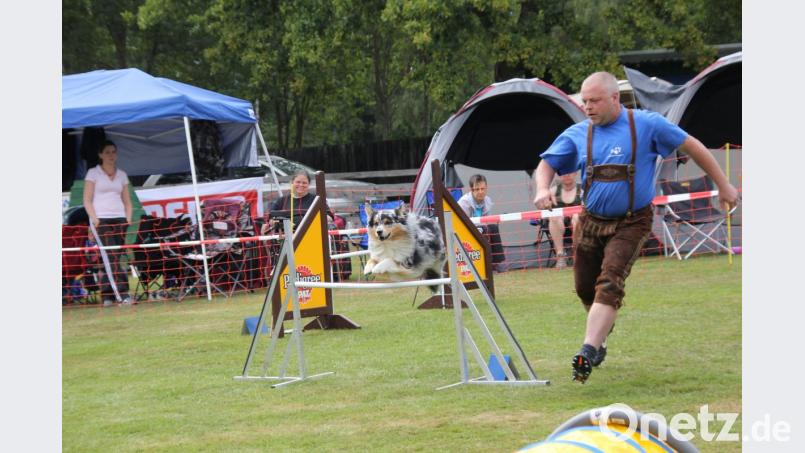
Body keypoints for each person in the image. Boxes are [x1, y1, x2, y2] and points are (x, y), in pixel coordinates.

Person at [533, 72, 738, 383]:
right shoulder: (578, 133)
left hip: (633, 220)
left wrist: (724, 186)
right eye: (585, 101)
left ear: (615, 98)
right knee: (584, 288)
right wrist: (542, 188)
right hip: (591, 220)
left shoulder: (646, 124)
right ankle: (601, 332)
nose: (587, 107)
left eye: (595, 101)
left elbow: (693, 146)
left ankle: (587, 351)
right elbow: (546, 163)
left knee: (610, 282)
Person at [83, 140, 134, 306]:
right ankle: (123, 293)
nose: (111, 155)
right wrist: (94, 219)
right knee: (110, 256)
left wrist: (128, 218)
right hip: (101, 220)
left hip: (120, 219)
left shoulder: (122, 175)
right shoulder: (93, 173)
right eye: (107, 152)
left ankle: (106, 295)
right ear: (100, 155)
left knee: (115, 257)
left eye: (113, 152)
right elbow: (87, 200)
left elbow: (127, 201)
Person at [457, 174, 505, 268]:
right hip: (466, 231)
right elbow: (463, 224)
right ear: (471, 190)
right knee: (484, 229)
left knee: (493, 227)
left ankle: (497, 262)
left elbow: (489, 221)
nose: (480, 192)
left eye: (483, 189)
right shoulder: (464, 203)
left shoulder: (488, 201)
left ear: (486, 188)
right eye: (477, 189)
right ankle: (486, 262)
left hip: (482, 229)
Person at [546, 171, 581, 269]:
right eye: (563, 173)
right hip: (559, 223)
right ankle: (560, 255)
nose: (566, 174)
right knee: (554, 216)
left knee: (577, 217)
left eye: (569, 172)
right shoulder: (552, 191)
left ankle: (578, 253)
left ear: (576, 173)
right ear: (559, 175)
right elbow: (545, 210)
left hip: (579, 223)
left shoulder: (583, 189)